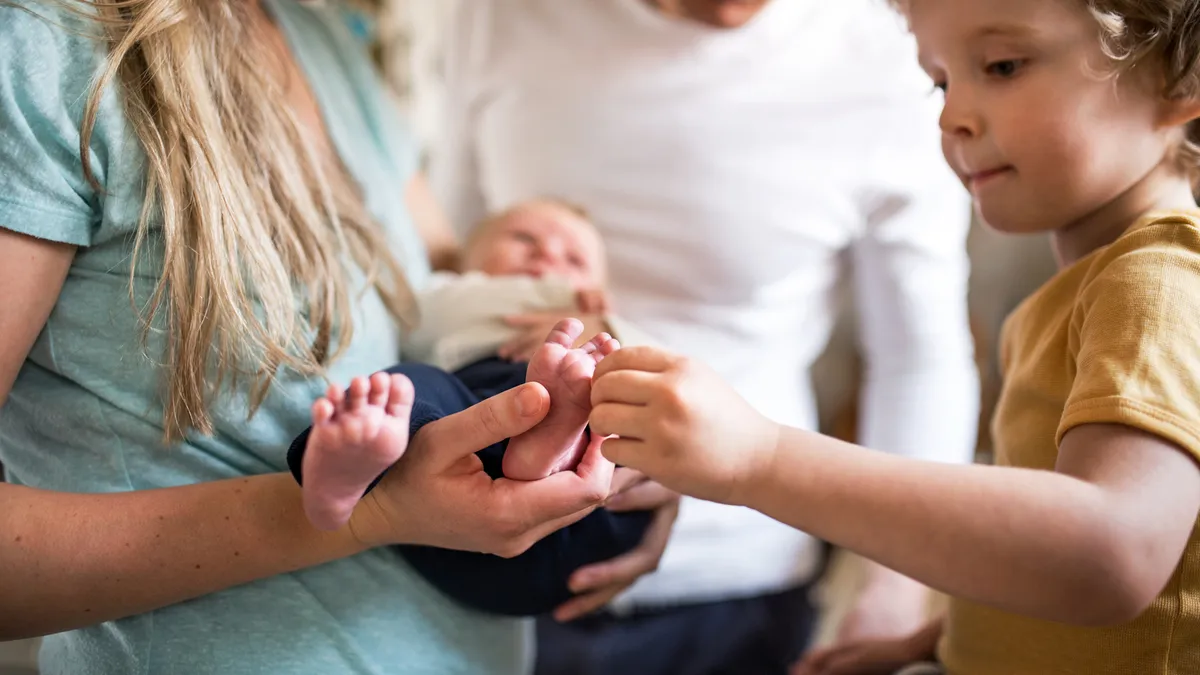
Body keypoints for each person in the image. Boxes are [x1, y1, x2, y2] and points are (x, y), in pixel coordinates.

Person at [0, 2, 674, 673]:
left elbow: (454, 274)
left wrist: (625, 436)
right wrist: (370, 514)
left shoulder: (327, 45)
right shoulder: (38, 50)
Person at [585, 0, 1200, 673]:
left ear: (1179, 78)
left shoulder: (1160, 278)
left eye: (1003, 66)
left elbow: (1111, 555)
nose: (949, 116)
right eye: (940, 81)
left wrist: (760, 459)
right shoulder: (1087, 289)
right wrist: (944, 640)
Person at [430, 0, 978, 671]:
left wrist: (893, 589)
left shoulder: (889, 53)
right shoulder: (499, 16)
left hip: (737, 588)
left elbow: (917, 358)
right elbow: (449, 261)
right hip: (498, 564)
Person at [287, 201, 659, 616]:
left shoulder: (602, 324)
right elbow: (424, 314)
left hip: (583, 521)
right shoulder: (452, 294)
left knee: (610, 408)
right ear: (466, 260)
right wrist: (562, 298)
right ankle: (347, 476)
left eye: (574, 258)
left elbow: (667, 373)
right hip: (455, 493)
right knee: (407, 390)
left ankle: (553, 441)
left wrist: (607, 325)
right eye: (524, 239)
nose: (548, 256)